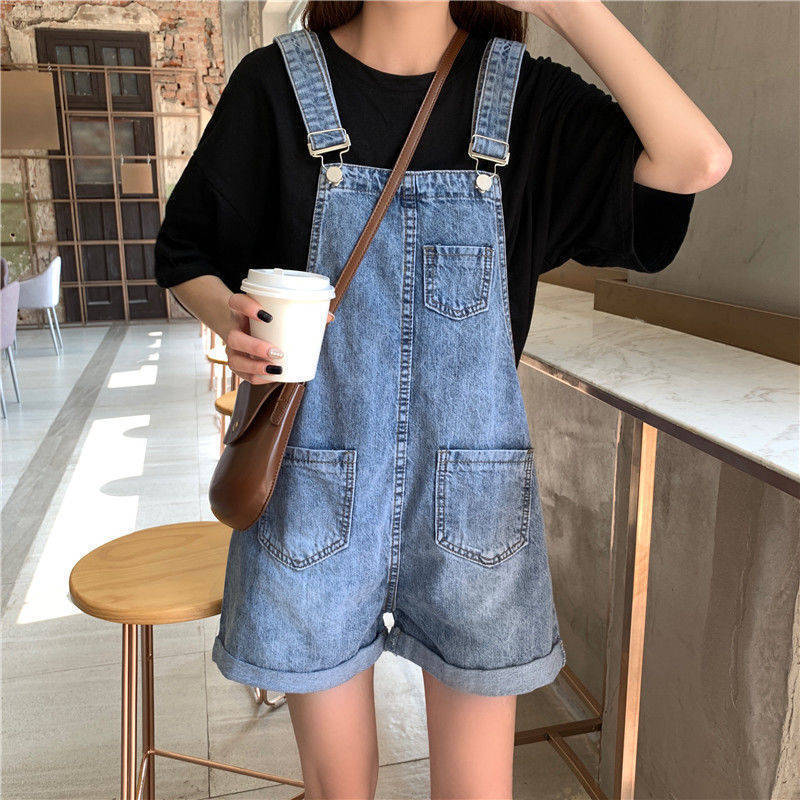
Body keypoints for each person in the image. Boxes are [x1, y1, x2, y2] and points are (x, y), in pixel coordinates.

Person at [154, 2, 730, 797]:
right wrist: (231, 316)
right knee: (338, 790)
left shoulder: (525, 100)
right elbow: (185, 249)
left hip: (473, 510)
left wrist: (566, 7)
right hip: (314, 490)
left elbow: (696, 160)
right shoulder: (275, 84)